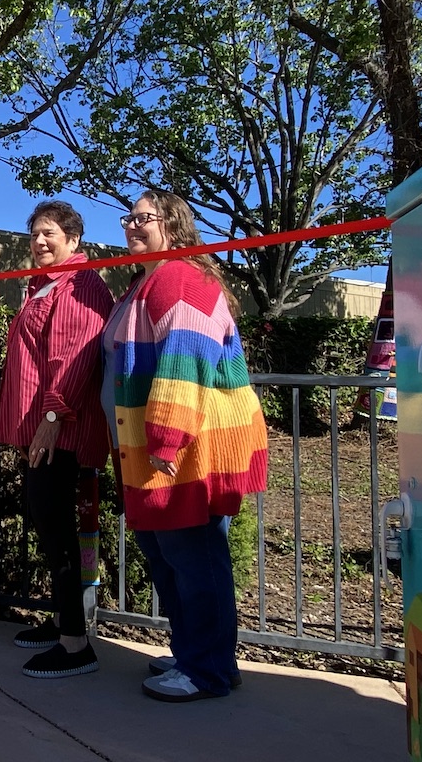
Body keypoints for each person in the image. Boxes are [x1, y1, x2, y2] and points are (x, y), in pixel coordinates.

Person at [105, 190, 267, 702]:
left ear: (173, 225)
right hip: (148, 448)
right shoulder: (147, 281)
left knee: (193, 555)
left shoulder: (178, 277)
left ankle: (209, 669)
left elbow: (186, 359)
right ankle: (196, 652)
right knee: (168, 554)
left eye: (143, 218)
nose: (132, 225)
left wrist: (167, 438)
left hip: (184, 448)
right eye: (128, 217)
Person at [0, 200, 112, 677]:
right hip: (44, 428)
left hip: (62, 429)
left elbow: (74, 355)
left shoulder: (81, 283)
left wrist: (53, 415)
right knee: (48, 525)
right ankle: (63, 618)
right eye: (35, 234)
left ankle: (76, 643)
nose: (40, 242)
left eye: (50, 234)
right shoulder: (43, 285)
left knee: (56, 528)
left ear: (73, 240)